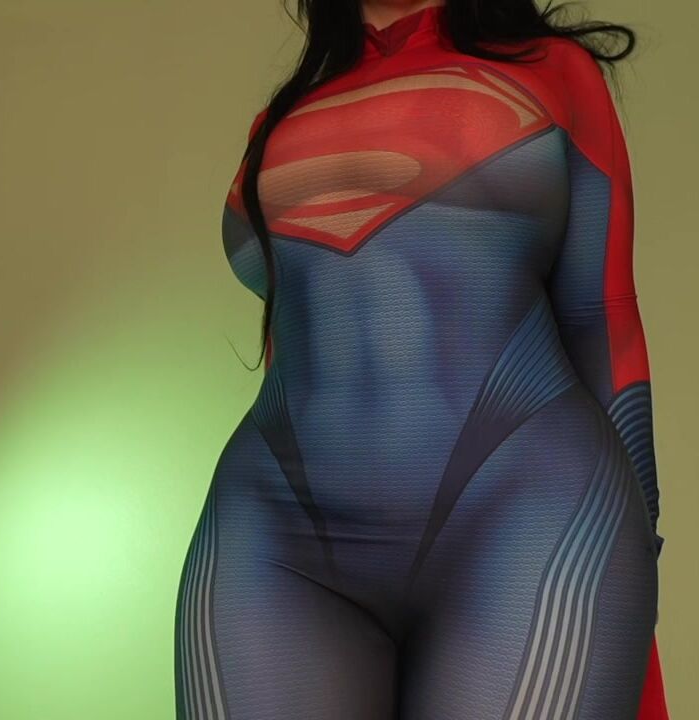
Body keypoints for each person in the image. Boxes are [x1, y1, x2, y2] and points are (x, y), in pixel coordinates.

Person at [176, 1, 669, 717]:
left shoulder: (555, 71)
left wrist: (642, 544)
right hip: (275, 530)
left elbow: (601, 316)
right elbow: (295, 324)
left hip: (524, 515)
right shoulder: (277, 121)